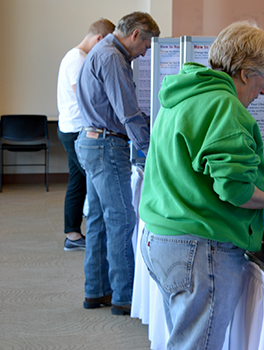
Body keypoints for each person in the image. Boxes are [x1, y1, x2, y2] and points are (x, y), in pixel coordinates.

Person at [138, 20, 264, 350]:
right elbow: (235, 190)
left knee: (182, 339)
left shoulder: (184, 94)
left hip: (160, 239)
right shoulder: (224, 106)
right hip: (200, 248)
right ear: (247, 74)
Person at [75, 11, 160, 316]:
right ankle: (124, 296)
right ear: (136, 34)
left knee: (98, 220)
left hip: (91, 141)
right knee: (122, 220)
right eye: (147, 45)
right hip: (108, 145)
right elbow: (127, 113)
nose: (147, 52)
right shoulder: (112, 57)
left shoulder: (101, 52)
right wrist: (152, 153)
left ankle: (96, 291)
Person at [56, 18, 116, 252]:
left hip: (69, 129)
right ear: (99, 39)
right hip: (75, 131)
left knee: (78, 182)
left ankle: (72, 234)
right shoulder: (78, 60)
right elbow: (86, 98)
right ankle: (89, 238)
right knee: (95, 183)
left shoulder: (74, 56)